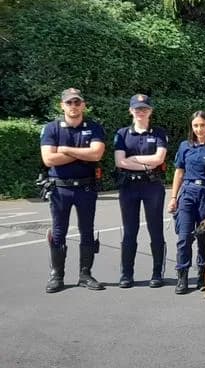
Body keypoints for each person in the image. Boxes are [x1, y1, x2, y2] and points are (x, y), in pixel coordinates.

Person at [40, 88, 106, 293]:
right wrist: (82, 154)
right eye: (69, 103)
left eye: (77, 102)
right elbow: (48, 159)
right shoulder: (51, 128)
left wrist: (65, 150)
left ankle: (85, 275)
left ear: (83, 105)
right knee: (59, 232)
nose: (74, 106)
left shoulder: (94, 127)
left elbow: (96, 155)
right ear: (62, 106)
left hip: (86, 187)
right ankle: (56, 276)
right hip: (61, 188)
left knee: (87, 230)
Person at [167, 111, 205, 294]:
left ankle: (203, 275)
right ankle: (182, 276)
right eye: (195, 126)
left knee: (204, 238)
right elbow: (179, 173)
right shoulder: (185, 146)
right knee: (184, 237)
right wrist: (173, 198)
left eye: (202, 125)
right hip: (187, 193)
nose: (199, 129)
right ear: (191, 128)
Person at [113, 94, 168, 289]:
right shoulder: (122, 134)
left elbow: (159, 159)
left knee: (155, 230)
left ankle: (157, 273)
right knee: (130, 231)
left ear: (150, 111)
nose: (140, 112)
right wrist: (146, 164)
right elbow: (119, 161)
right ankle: (126, 274)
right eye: (137, 109)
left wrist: (133, 160)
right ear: (131, 111)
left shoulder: (159, 132)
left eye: (144, 108)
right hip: (129, 187)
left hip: (152, 186)